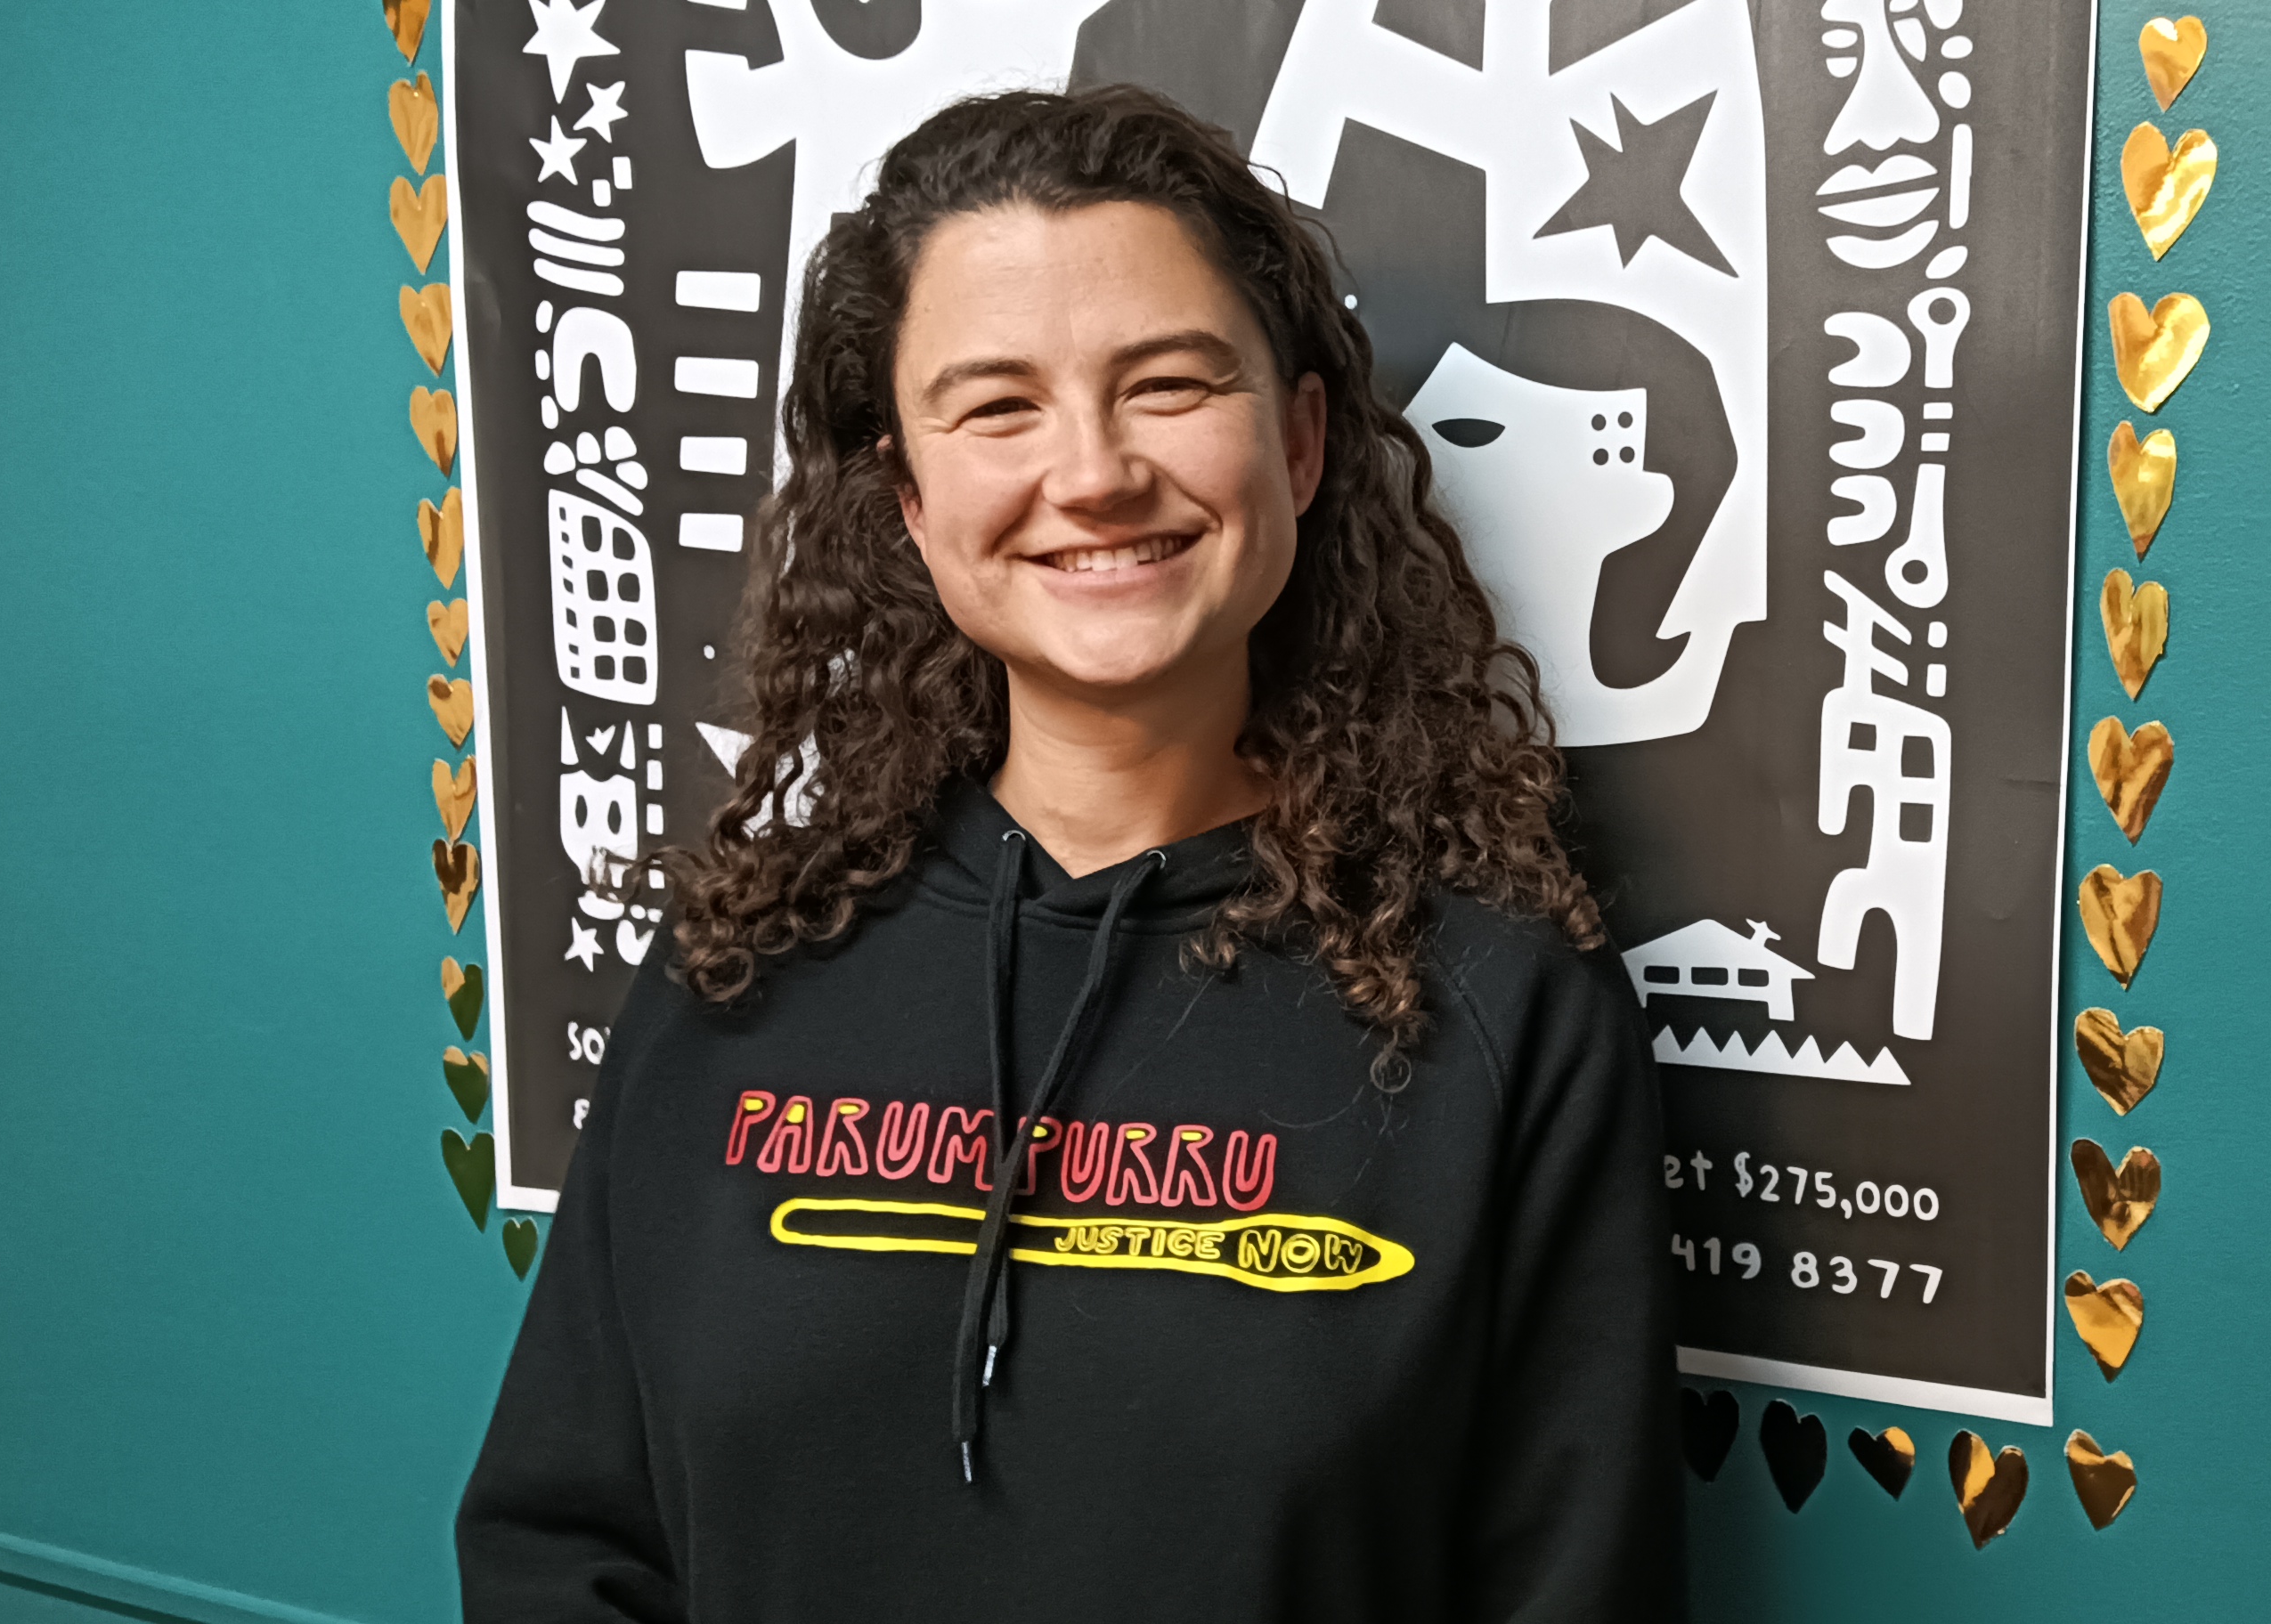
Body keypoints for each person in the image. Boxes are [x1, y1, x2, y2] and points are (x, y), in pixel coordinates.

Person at [456, 85, 1683, 1620]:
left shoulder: (1502, 1007)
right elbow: (559, 1541)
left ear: (1299, 444)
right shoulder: (739, 971)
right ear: (910, 497)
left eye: (1168, 385)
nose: (1094, 471)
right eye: (997, 407)